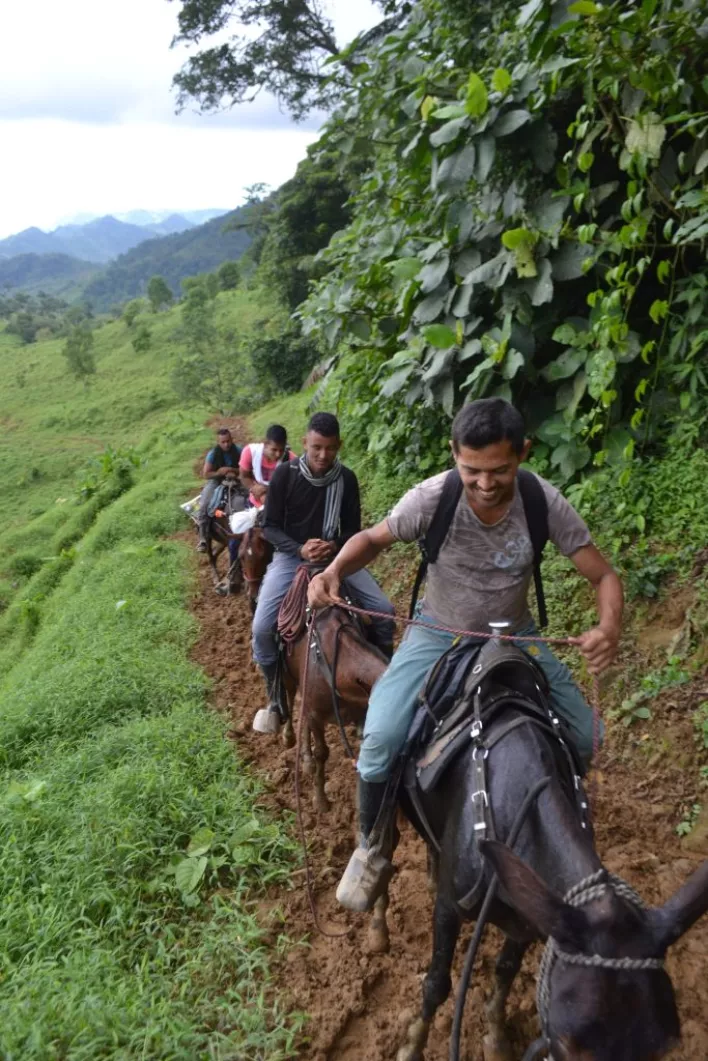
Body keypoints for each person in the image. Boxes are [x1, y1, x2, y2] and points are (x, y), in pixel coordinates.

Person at [307, 398, 624, 911]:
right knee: (381, 736)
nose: (484, 483)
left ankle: (555, 827)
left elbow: (603, 575)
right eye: (470, 469)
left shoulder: (542, 501)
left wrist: (609, 627)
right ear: (454, 454)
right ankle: (371, 846)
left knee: (586, 736)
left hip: (513, 634)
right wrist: (333, 572)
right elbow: (371, 539)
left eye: (499, 469)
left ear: (522, 453)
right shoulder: (433, 498)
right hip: (437, 630)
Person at [251, 411, 396, 735]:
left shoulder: (347, 479)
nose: (322, 455)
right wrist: (300, 549)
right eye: (316, 447)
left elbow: (355, 532)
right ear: (304, 443)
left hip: (336, 560)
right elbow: (270, 527)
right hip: (291, 559)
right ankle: (276, 698)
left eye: (330, 448)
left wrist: (333, 547)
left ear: (338, 446)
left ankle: (381, 691)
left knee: (384, 612)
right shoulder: (285, 476)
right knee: (262, 628)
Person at [196, 427, 242, 552]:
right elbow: (206, 474)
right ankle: (203, 537)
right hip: (216, 481)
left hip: (235, 479)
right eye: (223, 442)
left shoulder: (239, 451)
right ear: (218, 442)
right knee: (205, 503)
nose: (226, 444)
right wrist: (219, 472)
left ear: (232, 439)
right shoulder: (212, 454)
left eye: (228, 441)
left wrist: (233, 471)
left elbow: (245, 468)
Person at [239, 424, 289, 508]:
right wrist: (253, 487)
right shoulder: (250, 452)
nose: (278, 454)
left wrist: (267, 489)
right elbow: (244, 476)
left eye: (281, 450)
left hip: (279, 504)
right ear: (265, 444)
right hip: (255, 500)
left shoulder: (289, 459)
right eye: (274, 450)